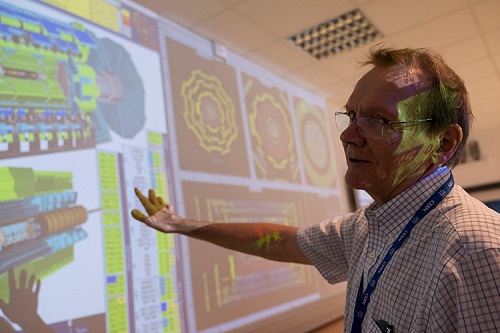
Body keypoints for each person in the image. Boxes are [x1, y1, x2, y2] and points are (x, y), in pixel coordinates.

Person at [131, 46, 500, 332]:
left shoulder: (476, 251)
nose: (347, 135)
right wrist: (182, 224)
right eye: (353, 116)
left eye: (380, 121)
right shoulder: (368, 228)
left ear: (443, 143)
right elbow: (277, 240)